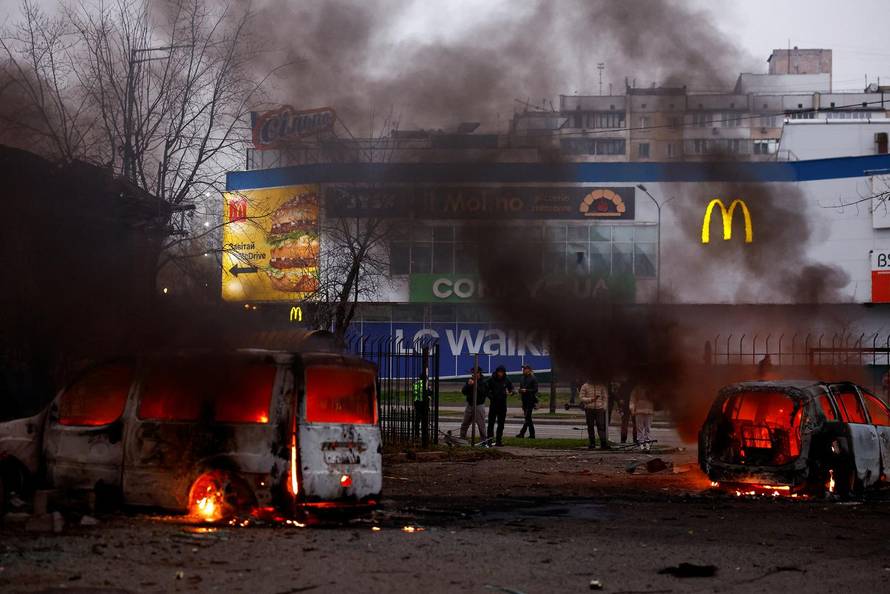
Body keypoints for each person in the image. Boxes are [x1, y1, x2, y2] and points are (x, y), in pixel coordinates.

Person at [486, 365, 514, 446]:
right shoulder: (491, 379)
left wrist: (511, 392)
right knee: (491, 423)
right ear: (497, 372)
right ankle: (489, 440)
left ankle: (499, 441)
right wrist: (491, 396)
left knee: (501, 424)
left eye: (502, 372)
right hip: (494, 404)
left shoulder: (506, 379)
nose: (500, 374)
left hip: (503, 404)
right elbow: (485, 388)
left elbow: (511, 388)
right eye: (499, 372)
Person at [579, 380, 609, 450]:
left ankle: (603, 443)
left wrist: (604, 407)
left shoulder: (601, 385)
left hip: (599, 409)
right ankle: (592, 443)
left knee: (601, 425)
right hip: (589, 409)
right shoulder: (585, 386)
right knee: (590, 426)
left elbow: (605, 397)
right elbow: (581, 397)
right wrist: (590, 400)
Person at [460, 367, 488, 442]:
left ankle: (483, 440)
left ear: (479, 373)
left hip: (479, 405)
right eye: (473, 373)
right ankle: (462, 438)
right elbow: (464, 391)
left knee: (481, 424)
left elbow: (483, 392)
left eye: (476, 373)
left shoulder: (483, 382)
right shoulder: (470, 380)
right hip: (470, 405)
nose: (474, 375)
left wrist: (475, 384)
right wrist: (468, 385)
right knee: (465, 423)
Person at [516, 364, 538, 439]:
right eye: (523, 369)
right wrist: (520, 390)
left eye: (525, 369)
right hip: (524, 400)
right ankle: (531, 435)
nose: (523, 370)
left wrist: (527, 390)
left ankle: (523, 433)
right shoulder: (522, 378)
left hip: (530, 400)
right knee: (528, 418)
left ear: (529, 370)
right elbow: (521, 387)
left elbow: (535, 390)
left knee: (527, 417)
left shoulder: (533, 378)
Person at [631, 384, 655, 452]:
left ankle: (646, 442)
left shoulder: (651, 389)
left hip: (649, 411)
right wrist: (632, 409)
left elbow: (655, 399)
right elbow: (633, 399)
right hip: (639, 410)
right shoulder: (637, 389)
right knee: (640, 428)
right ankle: (641, 442)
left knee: (647, 428)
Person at [412, 374, 430, 445]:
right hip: (424, 403)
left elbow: (414, 393)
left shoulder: (416, 383)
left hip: (417, 403)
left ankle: (416, 434)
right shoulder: (426, 384)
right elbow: (429, 393)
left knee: (417, 419)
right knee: (424, 419)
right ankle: (424, 434)